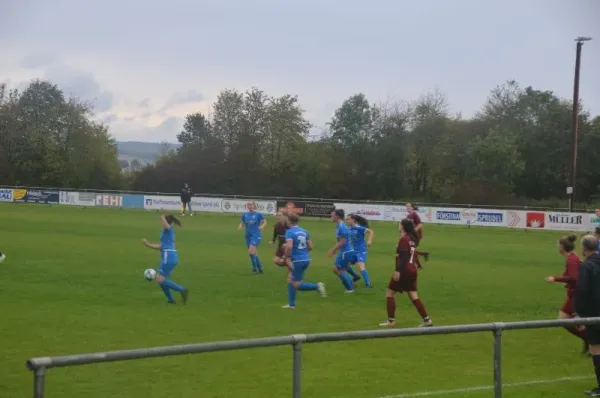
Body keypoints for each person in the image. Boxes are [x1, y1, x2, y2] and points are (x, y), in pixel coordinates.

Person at [380, 218, 432, 327]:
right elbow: (411, 253)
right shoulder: (411, 239)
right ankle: (427, 320)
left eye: (399, 224)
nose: (398, 225)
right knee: (413, 295)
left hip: (404, 270)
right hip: (412, 270)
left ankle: (391, 321)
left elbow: (403, 257)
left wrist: (398, 271)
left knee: (390, 293)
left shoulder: (404, 239)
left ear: (402, 226)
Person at [544, 235, 588, 354]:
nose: (558, 247)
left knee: (569, 321)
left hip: (576, 295)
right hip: (574, 294)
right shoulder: (572, 257)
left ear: (563, 247)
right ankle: (588, 341)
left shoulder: (571, 259)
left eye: (559, 245)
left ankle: (590, 340)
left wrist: (555, 278)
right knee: (567, 320)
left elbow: (573, 277)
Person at [282, 213, 327, 308]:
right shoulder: (305, 231)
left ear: (289, 221)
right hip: (306, 259)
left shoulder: (289, 232)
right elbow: (310, 246)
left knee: (296, 284)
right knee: (291, 279)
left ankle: (317, 286)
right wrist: (303, 252)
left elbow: (289, 246)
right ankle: (291, 304)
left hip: (297, 261)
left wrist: (285, 256)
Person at [142, 214, 188, 304]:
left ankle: (182, 290)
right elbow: (161, 246)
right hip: (170, 256)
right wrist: (148, 244)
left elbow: (167, 226)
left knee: (160, 280)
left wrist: (162, 218)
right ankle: (171, 299)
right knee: (161, 280)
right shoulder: (167, 232)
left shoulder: (168, 229)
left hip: (168, 256)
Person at [574, 235, 600, 396]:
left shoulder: (586, 266)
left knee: (596, 349)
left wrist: (580, 315)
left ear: (584, 249)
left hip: (594, 313)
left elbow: (582, 291)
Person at [327, 209, 357, 293]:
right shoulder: (339, 226)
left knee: (338, 269)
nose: (331, 217)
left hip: (346, 252)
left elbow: (342, 242)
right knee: (337, 269)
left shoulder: (341, 227)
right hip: (345, 251)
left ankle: (350, 288)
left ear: (337, 216)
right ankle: (350, 284)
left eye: (332, 215)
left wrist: (332, 250)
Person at [238, 201, 267, 273]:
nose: (250, 206)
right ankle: (260, 269)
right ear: (247, 206)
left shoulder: (258, 214)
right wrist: (240, 227)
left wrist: (262, 226)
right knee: (253, 252)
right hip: (248, 236)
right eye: (248, 205)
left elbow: (265, 222)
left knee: (251, 251)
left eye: (251, 205)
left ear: (254, 206)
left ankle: (254, 268)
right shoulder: (245, 215)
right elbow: (242, 223)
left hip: (256, 235)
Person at [346, 214, 373, 288]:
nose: (347, 221)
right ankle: (356, 277)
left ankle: (368, 284)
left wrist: (369, 240)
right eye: (346, 219)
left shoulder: (359, 228)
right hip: (353, 250)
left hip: (361, 250)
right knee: (346, 266)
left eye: (348, 219)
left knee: (361, 266)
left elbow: (371, 232)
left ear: (353, 220)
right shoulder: (349, 229)